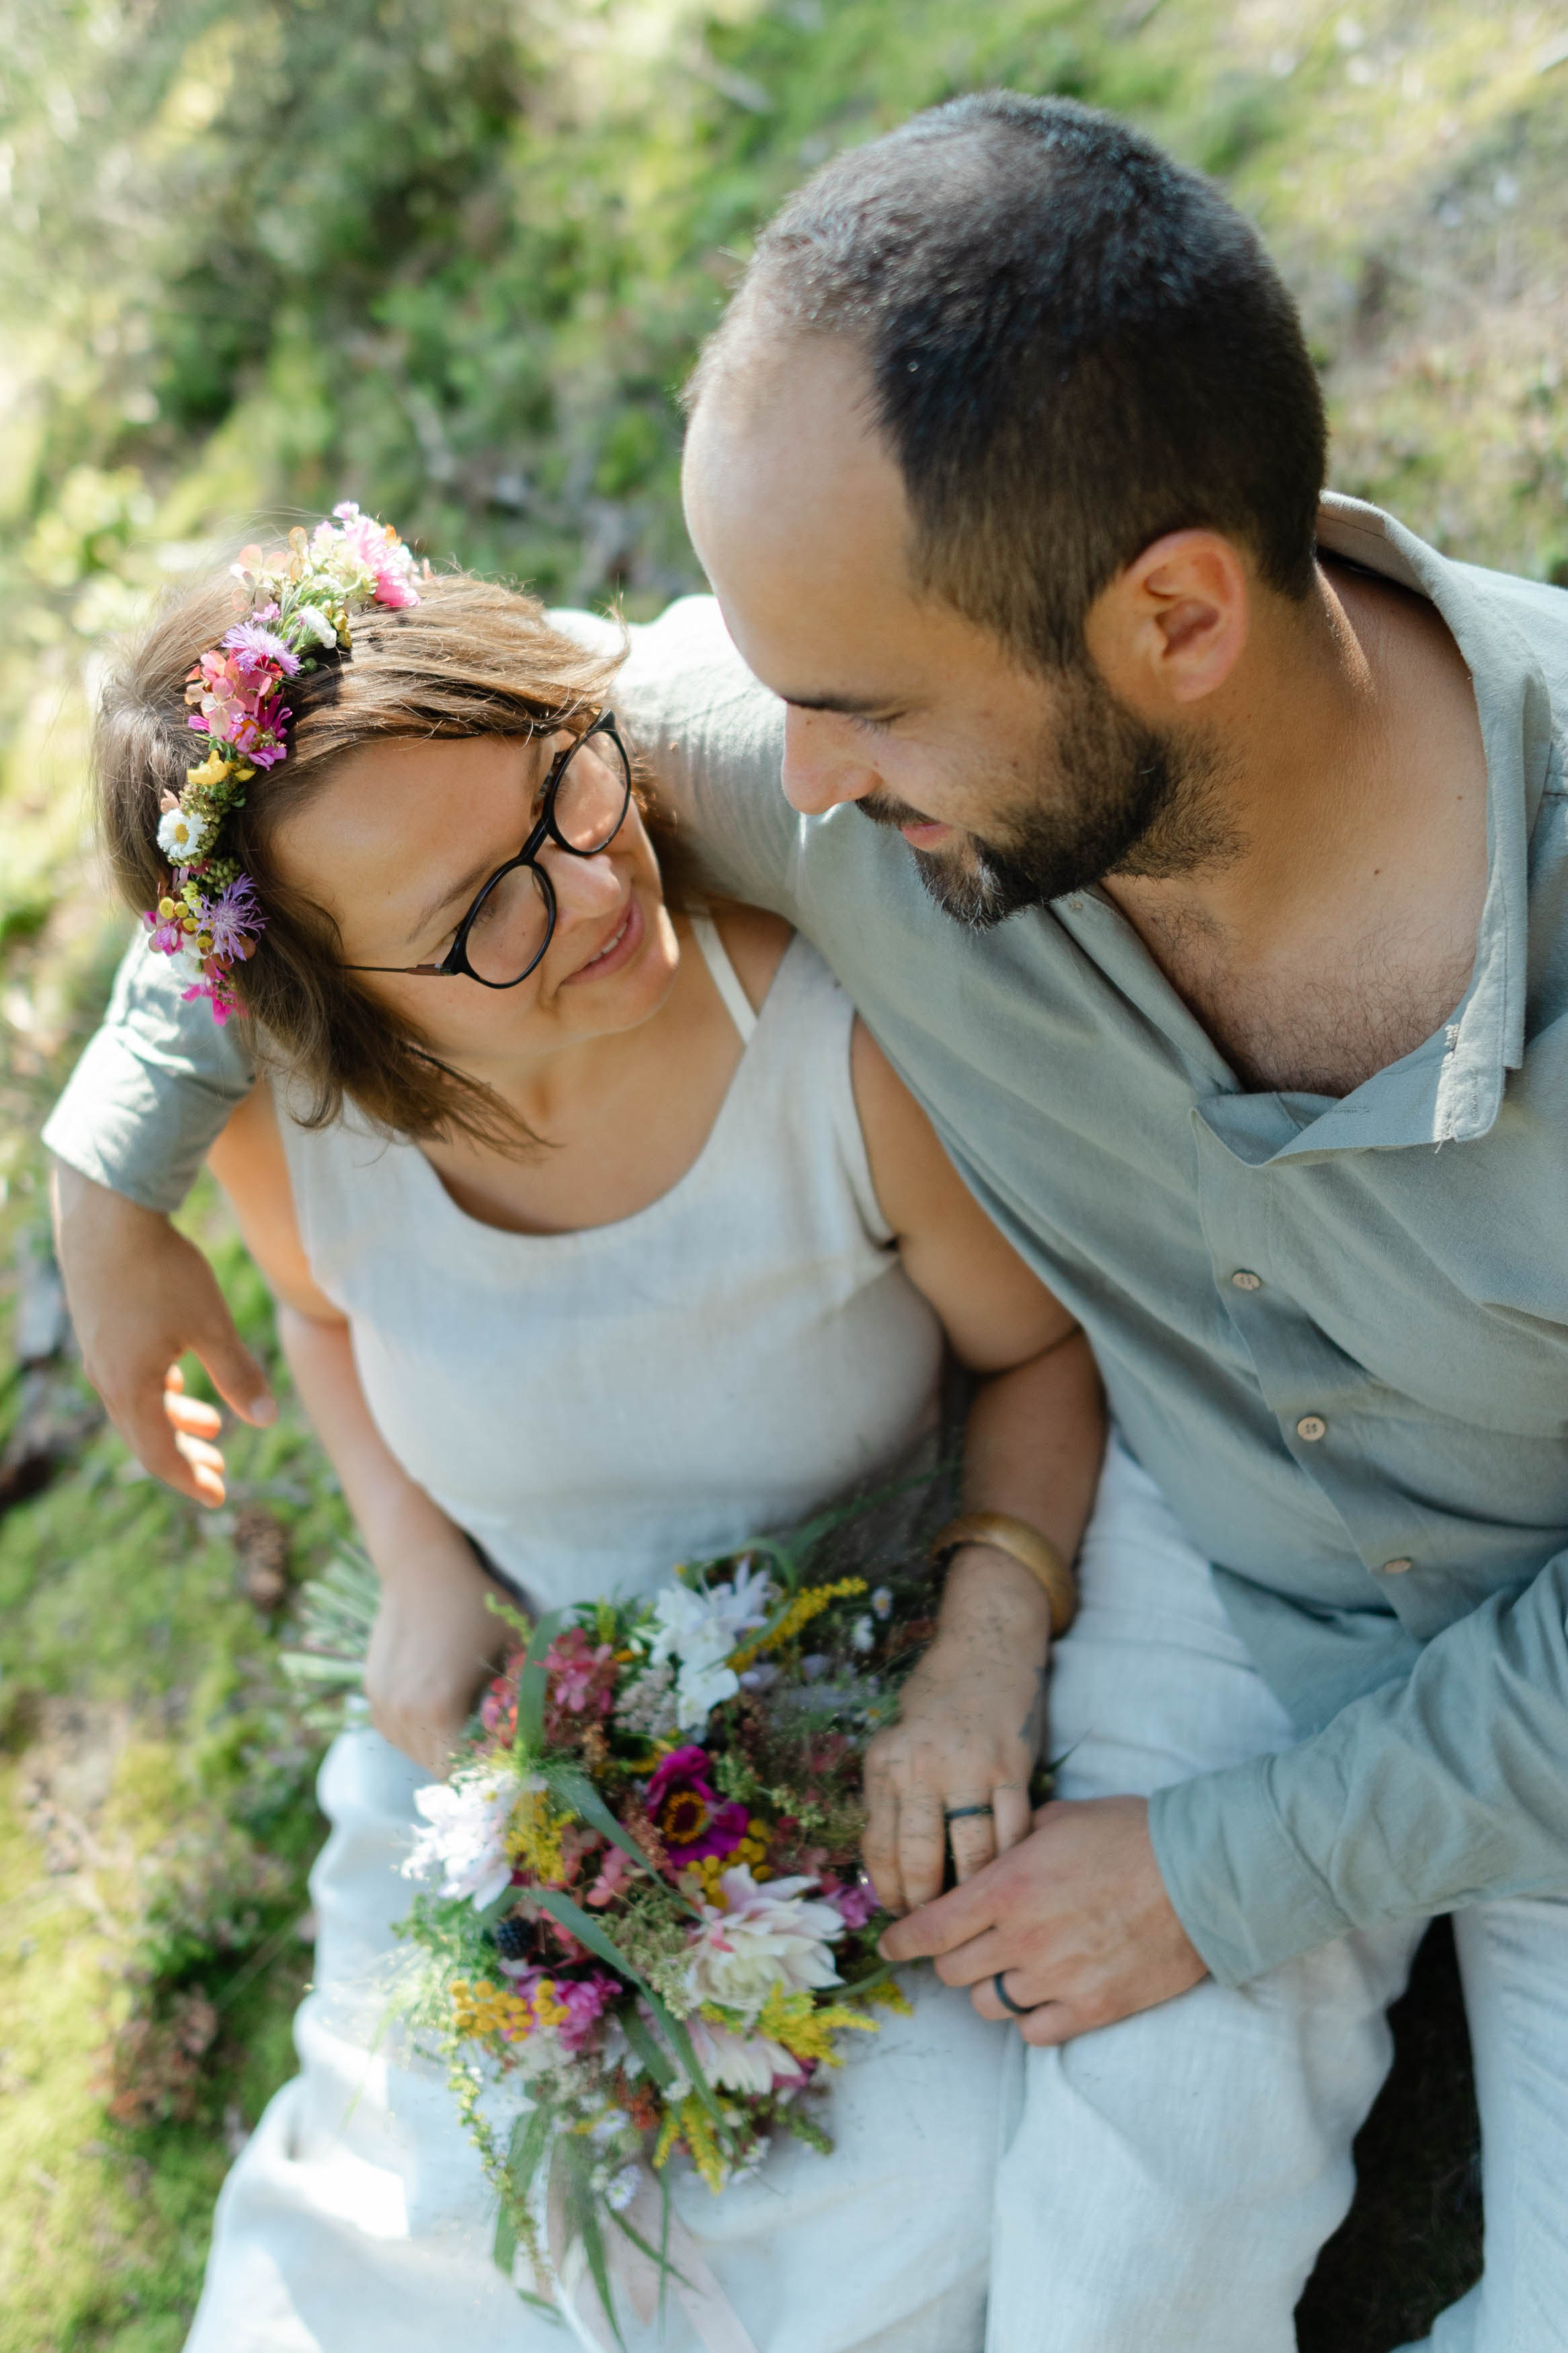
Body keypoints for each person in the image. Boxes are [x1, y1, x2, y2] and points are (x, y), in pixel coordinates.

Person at [45, 89, 1568, 2353]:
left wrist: (1220, 1874)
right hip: (1212, 1597)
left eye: (850, 708)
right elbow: (355, 784)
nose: (788, 779)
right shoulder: (844, 757)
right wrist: (113, 1150)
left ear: (1171, 617)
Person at [75, 516, 1106, 2352]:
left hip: (867, 1711)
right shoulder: (290, 1120)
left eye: (565, 777)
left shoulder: (823, 1041)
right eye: (480, 914)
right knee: (424, 2248)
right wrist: (408, 1552)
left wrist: (988, 1632)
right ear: (324, 1005)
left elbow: (1043, 1360)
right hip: (521, 1727)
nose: (591, 880)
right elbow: (323, 1314)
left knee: (910, 2213)